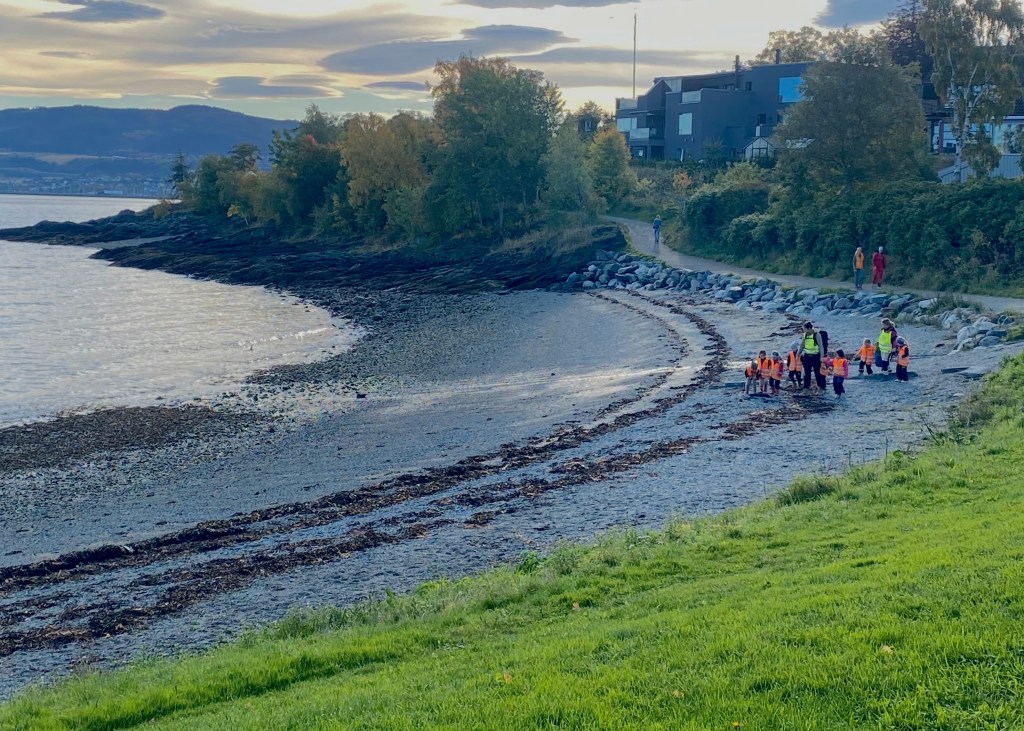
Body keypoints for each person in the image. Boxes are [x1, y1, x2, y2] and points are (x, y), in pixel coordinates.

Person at [796, 321, 827, 391]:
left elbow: (821, 347)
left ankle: (820, 387)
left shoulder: (817, 335)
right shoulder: (805, 335)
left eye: (804, 329)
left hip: (815, 356)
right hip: (807, 356)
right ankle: (806, 388)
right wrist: (798, 354)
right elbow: (802, 345)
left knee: (817, 373)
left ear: (809, 328)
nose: (804, 330)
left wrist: (822, 357)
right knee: (807, 373)